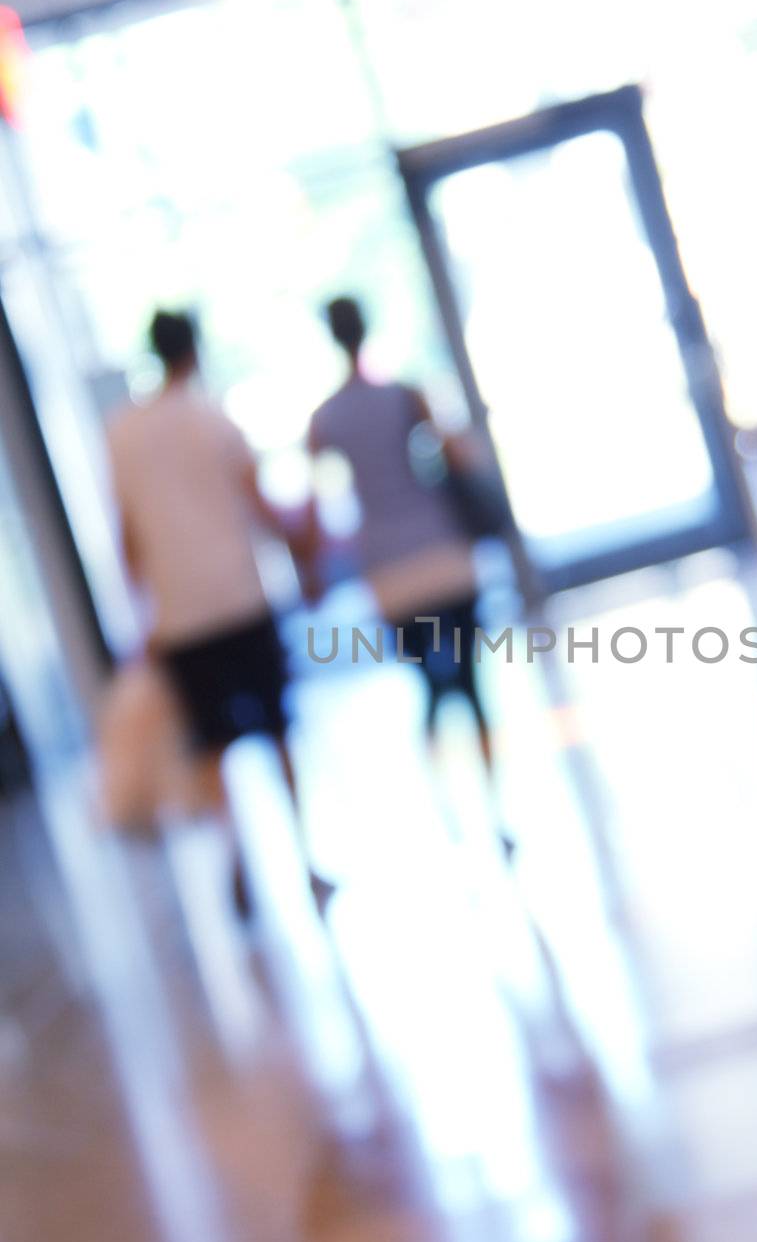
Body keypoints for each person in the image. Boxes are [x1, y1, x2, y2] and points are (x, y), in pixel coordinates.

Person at [108, 310, 326, 914]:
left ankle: (237, 856)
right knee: (278, 726)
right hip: (240, 597)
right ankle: (305, 857)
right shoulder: (214, 421)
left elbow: (127, 537)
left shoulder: (121, 433)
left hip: (180, 615)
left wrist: (145, 612)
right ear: (194, 351)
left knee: (212, 744)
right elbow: (259, 506)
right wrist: (305, 548)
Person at [309, 297, 507, 840]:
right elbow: (459, 456)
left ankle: (447, 806)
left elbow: (314, 502)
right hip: (442, 555)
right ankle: (493, 805)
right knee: (470, 684)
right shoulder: (405, 397)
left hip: (389, 574)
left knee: (428, 686)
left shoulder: (324, 420)